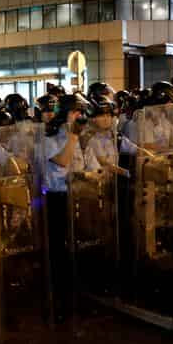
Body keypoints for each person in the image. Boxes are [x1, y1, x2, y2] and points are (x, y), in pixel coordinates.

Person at [43, 93, 99, 322]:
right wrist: (74, 137)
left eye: (81, 113)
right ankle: (59, 302)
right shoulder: (51, 137)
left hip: (78, 195)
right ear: (65, 113)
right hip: (57, 198)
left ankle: (80, 295)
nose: (80, 117)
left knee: (81, 245)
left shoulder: (82, 137)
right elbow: (63, 161)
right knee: (60, 252)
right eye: (76, 112)